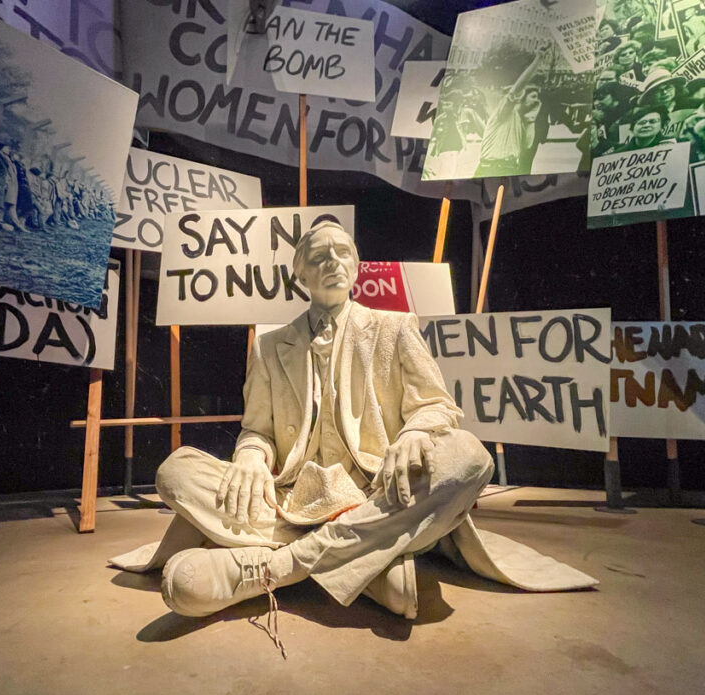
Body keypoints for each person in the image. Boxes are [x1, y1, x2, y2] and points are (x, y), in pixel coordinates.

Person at [111, 222, 597, 623]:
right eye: (319, 255)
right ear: (300, 273)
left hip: (377, 491)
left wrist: (415, 432)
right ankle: (371, 563)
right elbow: (256, 429)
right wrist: (252, 457)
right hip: (290, 501)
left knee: (469, 456)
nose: (333, 261)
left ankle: (281, 566)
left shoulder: (394, 327)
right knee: (176, 471)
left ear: (357, 266)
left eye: (343, 252)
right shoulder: (270, 345)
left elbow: (438, 405)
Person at [473, 44, 552, 177]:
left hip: (509, 168)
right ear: (521, 98)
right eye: (533, 96)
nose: (537, 101)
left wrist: (531, 120)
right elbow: (518, 86)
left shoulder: (520, 120)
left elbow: (527, 145)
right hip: (491, 168)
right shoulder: (504, 112)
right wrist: (538, 59)